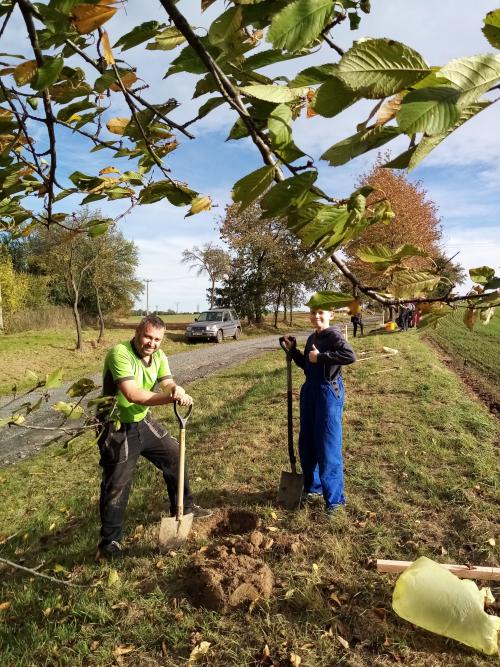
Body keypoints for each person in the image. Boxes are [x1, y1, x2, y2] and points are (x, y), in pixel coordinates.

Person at [96, 315, 211, 560]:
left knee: (174, 454)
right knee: (117, 483)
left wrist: (176, 390)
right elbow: (133, 394)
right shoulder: (120, 354)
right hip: (116, 426)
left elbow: (166, 382)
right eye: (148, 336)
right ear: (138, 331)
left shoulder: (159, 356)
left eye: (157, 339)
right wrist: (170, 398)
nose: (152, 343)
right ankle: (110, 543)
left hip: (142, 422)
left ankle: (186, 507)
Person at [283, 308, 356, 516]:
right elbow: (307, 366)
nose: (316, 316)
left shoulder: (334, 336)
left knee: (327, 446)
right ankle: (312, 488)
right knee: (307, 443)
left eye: (321, 313)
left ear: (331, 314)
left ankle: (335, 502)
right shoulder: (311, 337)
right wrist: (294, 351)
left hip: (328, 392)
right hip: (310, 392)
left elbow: (350, 356)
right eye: (313, 313)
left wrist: (321, 357)